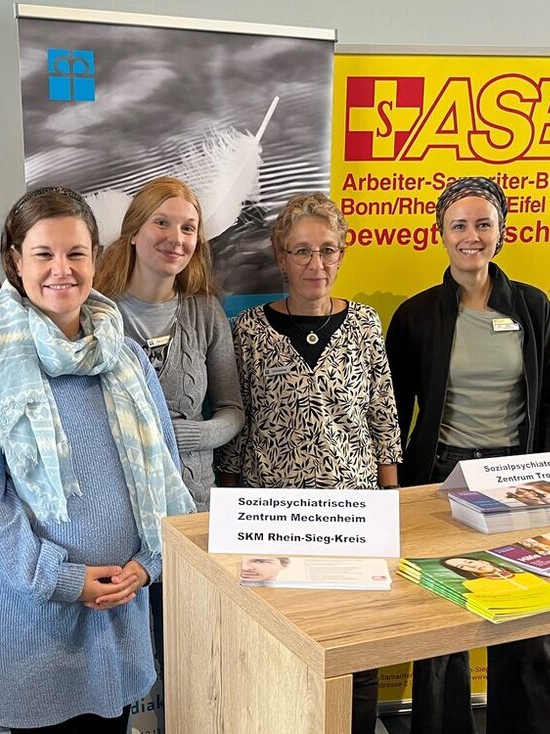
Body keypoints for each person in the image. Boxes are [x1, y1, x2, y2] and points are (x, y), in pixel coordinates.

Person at [0, 187, 194, 733]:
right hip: (34, 621)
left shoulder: (126, 356)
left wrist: (148, 565)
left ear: (95, 256)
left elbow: (165, 470)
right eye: (44, 254)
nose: (62, 269)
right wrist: (58, 577)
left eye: (76, 253)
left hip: (120, 612)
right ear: (15, 261)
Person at [385, 176, 550, 734]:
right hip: (442, 482)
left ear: (501, 232)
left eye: (483, 224)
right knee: (443, 626)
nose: (471, 236)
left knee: (530, 617)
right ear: (440, 234)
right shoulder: (417, 316)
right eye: (459, 225)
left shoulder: (534, 306)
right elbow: (391, 412)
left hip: (517, 477)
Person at [218, 192, 402, 734]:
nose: (315, 264)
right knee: (279, 639)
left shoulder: (366, 325)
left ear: (342, 255)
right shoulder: (249, 331)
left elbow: (383, 418)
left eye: (327, 250)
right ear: (280, 255)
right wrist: (228, 508)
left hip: (353, 516)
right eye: (301, 251)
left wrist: (390, 509)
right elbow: (238, 422)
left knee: (355, 642)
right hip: (273, 517)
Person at [93, 176, 244, 512]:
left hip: (195, 499)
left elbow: (232, 411)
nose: (176, 239)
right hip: (119, 505)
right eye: (162, 223)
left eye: (188, 228)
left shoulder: (205, 311)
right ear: (133, 233)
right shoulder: (96, 313)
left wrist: (191, 436)